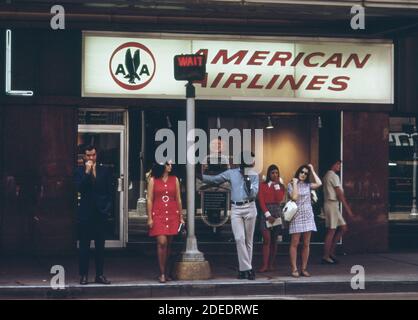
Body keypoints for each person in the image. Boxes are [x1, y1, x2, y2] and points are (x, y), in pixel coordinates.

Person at [202, 151, 259, 280]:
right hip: (236, 208)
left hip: (250, 207)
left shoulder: (255, 175)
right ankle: (248, 269)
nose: (253, 162)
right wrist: (200, 175)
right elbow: (214, 179)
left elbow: (253, 194)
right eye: (251, 160)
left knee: (248, 241)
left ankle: (244, 270)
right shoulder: (232, 173)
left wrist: (248, 179)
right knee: (239, 238)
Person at [74, 145, 112, 285]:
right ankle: (83, 275)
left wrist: (107, 209)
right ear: (84, 156)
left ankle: (99, 275)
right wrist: (87, 172)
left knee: (100, 247)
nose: (91, 158)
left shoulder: (105, 170)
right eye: (88, 155)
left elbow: (109, 192)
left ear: (97, 155)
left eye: (93, 155)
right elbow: (80, 188)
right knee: (84, 247)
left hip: (100, 214)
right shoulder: (79, 171)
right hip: (85, 215)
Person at [147, 162, 184, 283]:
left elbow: (178, 198)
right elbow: (149, 199)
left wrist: (181, 217)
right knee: (162, 242)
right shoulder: (153, 180)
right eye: (168, 164)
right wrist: (149, 218)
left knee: (168, 245)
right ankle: (162, 273)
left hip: (172, 214)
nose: (171, 166)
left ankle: (166, 271)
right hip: (158, 214)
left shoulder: (175, 179)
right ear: (163, 166)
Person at [287, 164, 322, 278]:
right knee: (295, 243)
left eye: (306, 173)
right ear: (298, 172)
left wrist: (312, 169)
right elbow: (294, 197)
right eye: (302, 172)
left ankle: (304, 268)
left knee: (306, 243)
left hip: (307, 215)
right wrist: (295, 183)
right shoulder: (291, 184)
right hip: (296, 215)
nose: (303, 174)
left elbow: (319, 183)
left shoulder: (308, 185)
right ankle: (294, 268)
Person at [322, 159, 354, 264]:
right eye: (337, 164)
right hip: (332, 204)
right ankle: (326, 256)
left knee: (343, 228)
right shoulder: (333, 176)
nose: (339, 166)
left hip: (332, 204)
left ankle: (330, 252)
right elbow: (339, 193)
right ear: (332, 164)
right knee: (331, 231)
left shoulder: (327, 175)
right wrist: (347, 209)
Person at [257, 164, 285, 272]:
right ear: (269, 173)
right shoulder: (263, 185)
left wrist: (277, 185)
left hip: (276, 211)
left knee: (274, 240)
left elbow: (279, 199)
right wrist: (267, 215)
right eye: (273, 172)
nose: (275, 175)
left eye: (277, 173)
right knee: (267, 240)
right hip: (266, 213)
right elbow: (261, 200)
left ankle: (271, 264)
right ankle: (264, 264)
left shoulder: (281, 186)